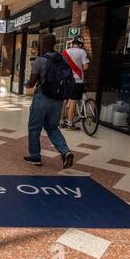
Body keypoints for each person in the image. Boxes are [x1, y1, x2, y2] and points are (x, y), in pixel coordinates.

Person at [24, 33, 74, 169]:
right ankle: (66, 152)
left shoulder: (39, 61)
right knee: (52, 127)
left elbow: (32, 82)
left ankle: (35, 157)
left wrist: (26, 84)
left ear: (42, 44)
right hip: (58, 100)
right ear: (55, 43)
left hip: (42, 98)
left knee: (34, 128)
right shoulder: (63, 59)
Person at [60, 35, 90, 131]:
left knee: (64, 100)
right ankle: (70, 123)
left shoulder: (65, 52)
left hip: (66, 80)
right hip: (77, 80)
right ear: (81, 44)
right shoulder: (82, 52)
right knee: (73, 100)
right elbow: (85, 67)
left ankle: (61, 121)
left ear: (72, 43)